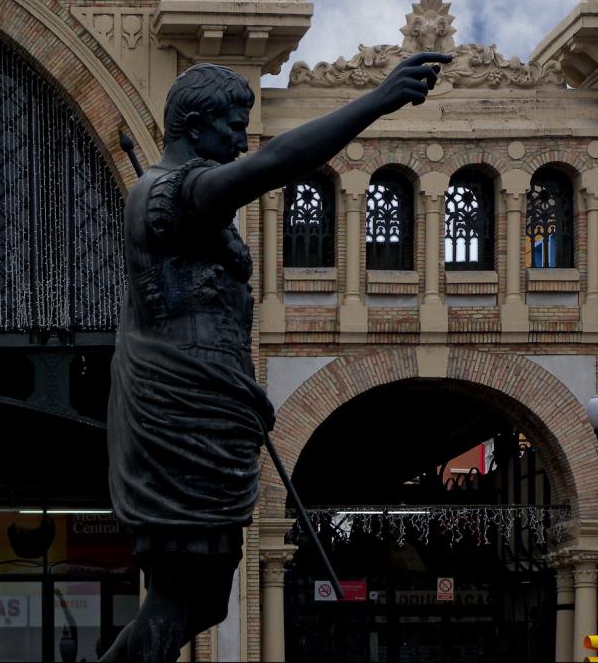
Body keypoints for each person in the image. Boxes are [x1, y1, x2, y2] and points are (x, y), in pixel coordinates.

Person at [102, 52, 450, 662]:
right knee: (176, 600)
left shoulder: (190, 197)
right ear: (192, 124)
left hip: (212, 404)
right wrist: (377, 100)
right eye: (232, 123)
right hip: (180, 411)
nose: (241, 136)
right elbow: (276, 163)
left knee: (204, 601)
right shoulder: (169, 194)